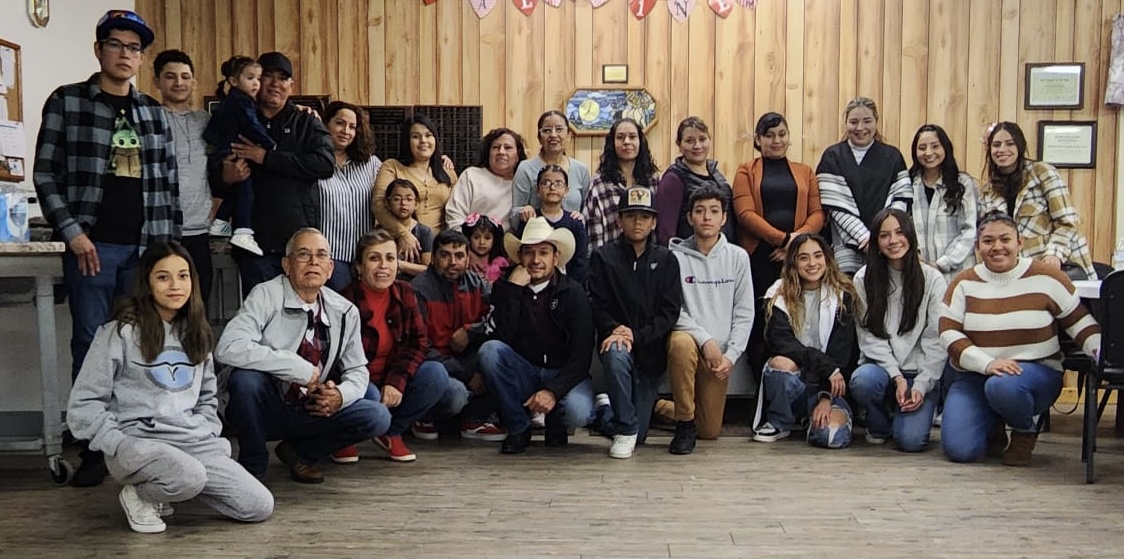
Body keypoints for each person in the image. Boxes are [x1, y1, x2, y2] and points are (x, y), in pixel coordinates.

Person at [34, 10, 180, 487]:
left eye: (134, 48)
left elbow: (167, 185)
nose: (125, 55)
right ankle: (94, 446)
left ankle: (139, 436)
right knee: (91, 345)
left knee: (144, 346)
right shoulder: (68, 102)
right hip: (91, 247)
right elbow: (45, 174)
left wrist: (165, 251)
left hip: (144, 251)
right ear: (99, 50)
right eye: (116, 45)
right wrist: (73, 232)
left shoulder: (153, 113)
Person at [67, 242, 272, 533]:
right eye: (163, 277)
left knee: (258, 506)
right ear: (147, 284)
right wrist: (116, 442)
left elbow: (207, 397)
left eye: (183, 276)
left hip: (193, 444)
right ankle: (140, 494)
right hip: (138, 443)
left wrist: (206, 427)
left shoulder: (196, 332)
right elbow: (84, 403)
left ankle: (173, 485)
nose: (175, 285)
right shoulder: (120, 332)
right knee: (189, 476)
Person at [215, 228, 391, 483]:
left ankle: (301, 454)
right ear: (286, 264)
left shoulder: (344, 310)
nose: (313, 262)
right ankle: (253, 464)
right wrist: (295, 367)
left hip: (311, 407)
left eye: (321, 256)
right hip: (266, 407)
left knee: (377, 414)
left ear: (330, 268)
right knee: (245, 380)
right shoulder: (266, 294)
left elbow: (358, 370)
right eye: (303, 255)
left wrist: (340, 396)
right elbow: (229, 346)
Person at [940, 212, 1101, 466]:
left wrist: (1103, 357)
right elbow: (948, 334)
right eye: (988, 241)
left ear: (1020, 242)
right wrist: (987, 364)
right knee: (961, 451)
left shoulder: (1048, 277)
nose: (997, 247)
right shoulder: (963, 282)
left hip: (1036, 373)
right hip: (976, 374)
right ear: (977, 246)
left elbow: (1080, 324)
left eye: (1005, 239)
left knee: (1001, 386)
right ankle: (993, 424)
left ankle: (1024, 430)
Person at [210, 51, 334, 296]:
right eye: (268, 76)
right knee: (259, 321)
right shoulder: (237, 115)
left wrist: (266, 157)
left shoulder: (306, 121)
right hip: (254, 245)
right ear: (256, 80)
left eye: (283, 78)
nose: (275, 83)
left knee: (301, 319)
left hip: (299, 245)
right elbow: (214, 174)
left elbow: (324, 164)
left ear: (291, 85)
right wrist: (225, 176)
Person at [339, 230, 465, 462]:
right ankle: (344, 437)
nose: (383, 266)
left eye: (390, 258)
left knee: (437, 375)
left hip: (392, 377)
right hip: (358, 380)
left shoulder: (405, 291)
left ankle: (391, 431)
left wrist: (395, 381)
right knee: (370, 395)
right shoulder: (344, 301)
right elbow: (340, 360)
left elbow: (419, 343)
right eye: (374, 258)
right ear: (359, 266)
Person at [478, 217, 595, 454]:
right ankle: (518, 427)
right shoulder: (505, 287)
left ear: (556, 258)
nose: (536, 260)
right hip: (526, 370)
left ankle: (558, 421)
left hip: (563, 372)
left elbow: (582, 354)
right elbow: (502, 337)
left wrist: (553, 390)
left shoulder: (573, 292)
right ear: (520, 257)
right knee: (489, 352)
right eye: (529, 253)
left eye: (543, 252)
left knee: (578, 411)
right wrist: (513, 292)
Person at [588, 187, 682, 459]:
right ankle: (625, 427)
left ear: (654, 221)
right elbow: (596, 302)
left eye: (644, 216)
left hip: (650, 350)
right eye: (631, 216)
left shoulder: (666, 259)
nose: (637, 222)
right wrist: (614, 330)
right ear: (620, 219)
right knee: (617, 352)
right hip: (615, 340)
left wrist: (637, 335)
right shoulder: (603, 257)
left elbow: (670, 311)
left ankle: (606, 410)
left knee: (641, 435)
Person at [849, 208, 947, 451]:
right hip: (882, 369)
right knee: (863, 381)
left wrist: (921, 384)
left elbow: (936, 340)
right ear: (876, 241)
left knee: (911, 442)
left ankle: (906, 416)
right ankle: (879, 423)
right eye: (884, 235)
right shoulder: (863, 278)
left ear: (911, 236)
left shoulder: (933, 279)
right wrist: (896, 376)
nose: (893, 241)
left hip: (920, 371)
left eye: (900, 232)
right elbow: (868, 336)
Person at [666, 185, 754, 454]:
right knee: (680, 343)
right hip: (690, 343)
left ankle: (658, 407)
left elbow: (744, 311)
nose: (707, 217)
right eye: (700, 211)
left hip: (720, 356)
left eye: (714, 211)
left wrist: (731, 355)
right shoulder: (674, 257)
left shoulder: (738, 257)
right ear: (690, 217)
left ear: (724, 218)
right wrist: (704, 340)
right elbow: (672, 309)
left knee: (709, 431)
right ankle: (683, 423)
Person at [752, 234, 859, 449]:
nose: (812, 263)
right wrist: (825, 366)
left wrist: (825, 397)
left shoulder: (842, 295)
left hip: (830, 386)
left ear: (827, 258)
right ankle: (780, 420)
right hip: (797, 382)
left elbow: (842, 356)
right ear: (793, 262)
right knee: (781, 363)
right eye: (803, 258)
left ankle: (814, 421)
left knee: (830, 438)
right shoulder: (777, 293)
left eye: (818, 256)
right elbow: (781, 343)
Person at [411, 229, 507, 442]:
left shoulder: (477, 283)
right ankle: (423, 415)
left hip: (466, 358)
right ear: (434, 257)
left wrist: (471, 331)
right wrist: (466, 375)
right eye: (445, 255)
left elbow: (501, 315)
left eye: (459, 256)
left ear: (467, 257)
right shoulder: (419, 289)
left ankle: (474, 419)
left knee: (500, 357)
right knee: (456, 395)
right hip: (433, 365)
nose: (452, 262)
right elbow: (420, 347)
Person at [977, 121, 1095, 280]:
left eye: (1009, 144)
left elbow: (1067, 222)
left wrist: (1054, 254)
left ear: (1020, 146)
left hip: (1058, 266)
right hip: (1018, 273)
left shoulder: (1042, 173)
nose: (1002, 150)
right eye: (996, 145)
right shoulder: (988, 190)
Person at [732, 111, 825, 302]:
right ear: (758, 140)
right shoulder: (745, 171)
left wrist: (794, 243)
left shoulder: (805, 171)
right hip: (759, 254)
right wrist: (783, 240)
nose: (777, 140)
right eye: (769, 135)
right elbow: (745, 213)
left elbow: (817, 214)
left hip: (799, 254)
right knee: (762, 310)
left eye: (782, 134)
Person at [816, 97, 912, 274]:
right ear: (846, 123)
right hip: (845, 246)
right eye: (854, 122)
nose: (860, 128)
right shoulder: (832, 157)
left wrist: (882, 237)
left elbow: (900, 201)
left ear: (876, 121)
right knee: (849, 296)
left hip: (887, 245)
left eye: (867, 121)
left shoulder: (893, 157)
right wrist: (866, 239)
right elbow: (836, 207)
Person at [151, 49, 213, 303]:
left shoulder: (206, 121)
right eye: (170, 76)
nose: (179, 83)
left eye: (185, 77)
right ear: (157, 82)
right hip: (162, 229)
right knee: (163, 308)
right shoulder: (151, 118)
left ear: (194, 82)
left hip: (200, 229)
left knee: (200, 306)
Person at [203, 55, 277, 257]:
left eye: (258, 78)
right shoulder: (241, 102)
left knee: (236, 191)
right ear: (234, 81)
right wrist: (270, 144)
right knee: (246, 191)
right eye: (250, 78)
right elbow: (252, 126)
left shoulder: (234, 101)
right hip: (230, 151)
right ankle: (243, 230)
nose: (256, 83)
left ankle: (219, 221)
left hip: (223, 150)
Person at [373, 114, 458, 262]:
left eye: (428, 135)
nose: (423, 141)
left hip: (439, 250)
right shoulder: (392, 167)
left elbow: (456, 210)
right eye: (416, 136)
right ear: (407, 141)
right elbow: (378, 205)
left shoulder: (447, 171)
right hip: (402, 247)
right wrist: (403, 234)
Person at [318, 101, 381, 291]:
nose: (346, 130)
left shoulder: (371, 164)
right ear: (326, 124)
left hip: (366, 256)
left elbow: (399, 188)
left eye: (352, 127)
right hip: (331, 255)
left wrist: (440, 161)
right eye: (340, 123)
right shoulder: (314, 161)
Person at [909, 124, 978, 283]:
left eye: (935, 146)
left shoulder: (962, 183)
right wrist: (915, 259)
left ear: (945, 148)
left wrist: (943, 263)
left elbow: (969, 230)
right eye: (922, 147)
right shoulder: (909, 184)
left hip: (958, 272)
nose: (928, 152)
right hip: (920, 272)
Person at [583, 118, 660, 253]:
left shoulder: (653, 180)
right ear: (612, 143)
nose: (627, 142)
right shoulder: (599, 184)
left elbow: (658, 226)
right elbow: (593, 233)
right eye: (620, 137)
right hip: (610, 264)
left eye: (632, 137)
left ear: (640, 142)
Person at [654, 117, 735, 244]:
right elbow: (665, 231)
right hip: (689, 255)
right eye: (689, 141)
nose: (697, 146)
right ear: (679, 144)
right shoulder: (672, 180)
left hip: (722, 253)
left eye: (702, 139)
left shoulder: (717, 173)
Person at [511, 110, 591, 226]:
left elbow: (587, 210)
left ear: (569, 135)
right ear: (539, 138)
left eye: (559, 129)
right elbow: (514, 215)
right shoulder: (525, 168)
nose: (553, 135)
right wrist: (523, 211)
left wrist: (581, 217)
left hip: (572, 237)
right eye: (547, 130)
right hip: (536, 239)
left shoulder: (581, 169)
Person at [515, 165, 590, 284]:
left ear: (566, 190)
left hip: (568, 285)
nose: (552, 187)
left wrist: (572, 287)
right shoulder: (530, 219)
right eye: (546, 183)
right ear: (538, 190)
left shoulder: (575, 222)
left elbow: (580, 261)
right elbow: (520, 255)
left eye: (558, 183)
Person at [446, 128, 527, 231]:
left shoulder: (522, 185)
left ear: (517, 155)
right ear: (488, 153)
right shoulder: (471, 175)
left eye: (508, 148)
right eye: (496, 147)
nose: (501, 152)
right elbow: (454, 216)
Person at [384, 178, 433, 279]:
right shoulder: (380, 232)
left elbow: (428, 269)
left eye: (409, 199)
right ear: (387, 203)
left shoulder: (424, 232)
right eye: (397, 199)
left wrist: (400, 265)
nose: (403, 203)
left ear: (416, 204)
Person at [461, 213, 509, 284]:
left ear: (494, 240)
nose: (482, 242)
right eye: (476, 237)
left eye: (487, 238)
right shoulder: (466, 260)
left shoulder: (501, 263)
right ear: (469, 239)